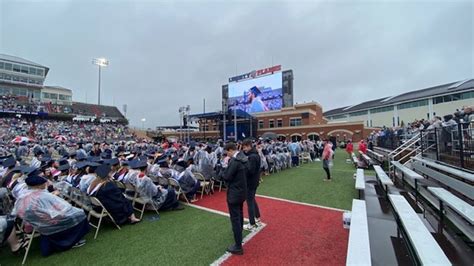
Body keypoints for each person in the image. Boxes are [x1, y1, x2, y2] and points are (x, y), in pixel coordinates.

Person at [12, 174, 89, 256]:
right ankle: (72, 240)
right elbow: (65, 208)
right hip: (52, 223)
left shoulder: (22, 197)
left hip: (39, 225)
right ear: (40, 185)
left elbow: (19, 212)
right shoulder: (44, 196)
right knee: (79, 213)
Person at [223, 142, 247, 255]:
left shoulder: (235, 161)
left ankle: (238, 246)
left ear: (230, 150)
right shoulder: (243, 158)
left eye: (227, 152)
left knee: (235, 219)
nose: (227, 155)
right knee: (240, 213)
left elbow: (227, 177)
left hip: (234, 192)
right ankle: (239, 236)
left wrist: (223, 168)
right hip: (242, 191)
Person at [242, 139, 262, 231]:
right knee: (252, 200)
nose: (244, 149)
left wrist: (244, 166)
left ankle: (252, 223)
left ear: (249, 146)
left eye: (245, 147)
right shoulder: (254, 154)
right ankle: (257, 218)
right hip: (254, 181)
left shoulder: (252, 156)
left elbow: (250, 171)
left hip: (250, 182)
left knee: (250, 202)